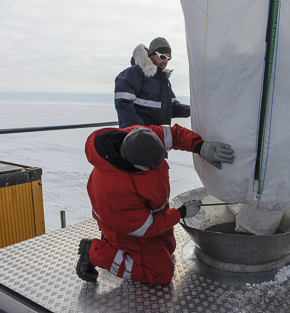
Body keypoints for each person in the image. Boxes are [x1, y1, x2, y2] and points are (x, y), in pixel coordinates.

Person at [76, 124, 234, 284]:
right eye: (152, 166)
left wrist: (199, 146)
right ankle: (94, 251)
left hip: (149, 214)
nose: (159, 167)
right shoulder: (113, 189)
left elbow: (173, 134)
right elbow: (146, 227)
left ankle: (119, 248)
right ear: (135, 165)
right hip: (127, 228)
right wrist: (181, 212)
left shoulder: (141, 139)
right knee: (160, 273)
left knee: (169, 248)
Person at [114, 37, 190, 128]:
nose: (165, 61)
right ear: (151, 55)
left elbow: (171, 107)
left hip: (158, 136)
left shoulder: (164, 80)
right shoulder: (134, 73)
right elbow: (123, 103)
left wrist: (189, 110)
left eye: (168, 58)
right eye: (162, 56)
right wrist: (140, 129)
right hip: (138, 137)